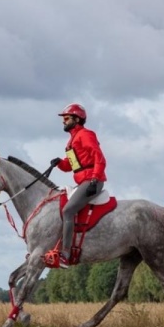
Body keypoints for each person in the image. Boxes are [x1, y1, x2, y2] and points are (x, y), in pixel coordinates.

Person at [50, 103, 107, 269]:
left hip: (92, 180)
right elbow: (71, 166)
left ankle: (66, 255)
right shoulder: (72, 141)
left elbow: (99, 158)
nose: (63, 122)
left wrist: (95, 179)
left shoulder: (85, 135)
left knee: (68, 210)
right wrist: (60, 163)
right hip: (83, 180)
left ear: (76, 119)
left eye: (66, 118)